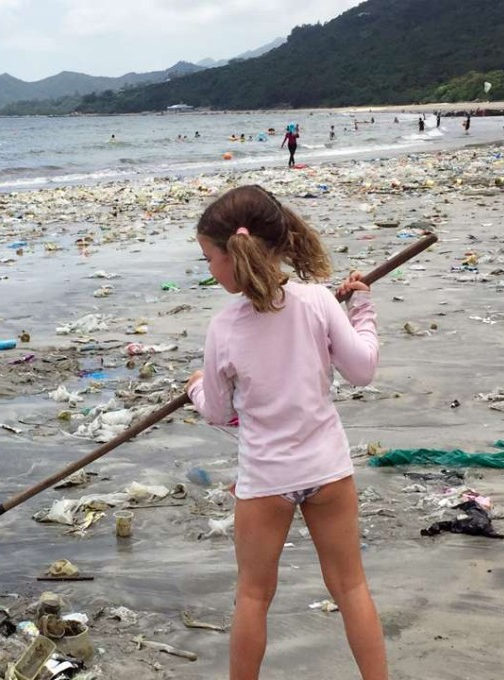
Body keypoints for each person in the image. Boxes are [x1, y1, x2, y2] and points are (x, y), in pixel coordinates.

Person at [186, 185, 387, 680]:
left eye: (210, 258)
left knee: (253, 596)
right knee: (351, 588)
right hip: (327, 469)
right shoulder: (319, 301)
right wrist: (360, 310)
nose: (209, 269)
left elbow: (215, 411)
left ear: (234, 255)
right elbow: (361, 370)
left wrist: (194, 388)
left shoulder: (224, 327)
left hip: (266, 480)